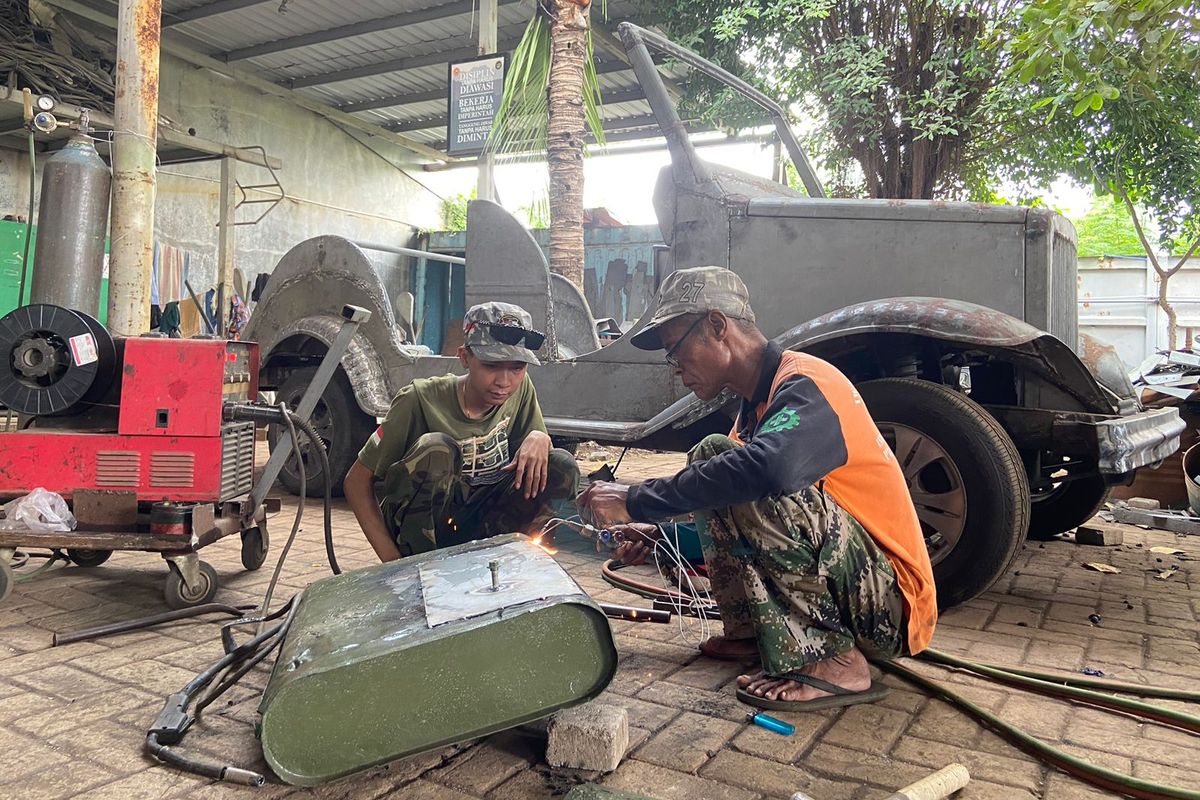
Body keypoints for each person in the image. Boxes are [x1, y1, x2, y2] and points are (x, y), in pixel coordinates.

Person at [578, 266, 937, 711]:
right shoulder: (754, 411)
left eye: (676, 351)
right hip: (857, 591)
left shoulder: (808, 383)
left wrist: (636, 499)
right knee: (714, 457)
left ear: (717, 326)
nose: (676, 369)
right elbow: (734, 520)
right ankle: (750, 631)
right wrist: (659, 538)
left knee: (743, 470)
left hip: (890, 607)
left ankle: (835, 660)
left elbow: (770, 472)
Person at [345, 302, 580, 561]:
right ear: (465, 357)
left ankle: (519, 563)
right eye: (491, 365)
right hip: (427, 531)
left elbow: (536, 468)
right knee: (437, 449)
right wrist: (392, 561)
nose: (504, 381)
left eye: (517, 367)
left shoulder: (520, 390)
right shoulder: (418, 400)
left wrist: (540, 437)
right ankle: (421, 565)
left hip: (484, 523)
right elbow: (356, 482)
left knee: (561, 465)